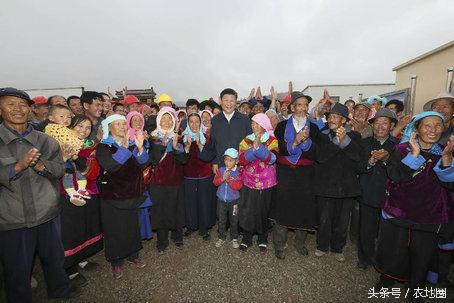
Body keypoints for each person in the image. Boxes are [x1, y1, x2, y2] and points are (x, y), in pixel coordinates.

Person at [0, 87, 76, 302]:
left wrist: (42, 166)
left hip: (47, 214)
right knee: (16, 271)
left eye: (23, 104)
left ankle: (61, 293)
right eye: (10, 104)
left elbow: (60, 169)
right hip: (12, 219)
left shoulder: (45, 140)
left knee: (54, 261)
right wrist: (17, 167)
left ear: (30, 110)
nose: (18, 109)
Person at [374, 111, 454, 298]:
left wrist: (447, 159)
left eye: (437, 126)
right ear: (417, 129)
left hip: (428, 216)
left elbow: (450, 185)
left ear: (443, 128)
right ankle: (386, 279)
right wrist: (415, 155)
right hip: (398, 211)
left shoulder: (445, 152)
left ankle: (415, 290)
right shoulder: (402, 149)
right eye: (427, 125)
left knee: (422, 256)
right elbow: (395, 176)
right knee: (392, 249)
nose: (432, 130)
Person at [96, 114, 150, 279]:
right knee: (114, 228)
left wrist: (140, 148)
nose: (122, 127)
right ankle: (116, 261)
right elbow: (111, 166)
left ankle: (133, 254)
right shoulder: (104, 147)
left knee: (131, 226)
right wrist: (125, 148)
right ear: (109, 128)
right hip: (112, 195)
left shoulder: (132, 143)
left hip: (131, 193)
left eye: (123, 123)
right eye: (117, 124)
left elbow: (143, 164)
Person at [270, 91, 319, 259]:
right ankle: (279, 244)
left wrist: (306, 142)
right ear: (292, 107)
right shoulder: (282, 126)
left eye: (306, 105)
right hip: (285, 173)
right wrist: (296, 141)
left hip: (306, 174)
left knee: (303, 207)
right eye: (299, 105)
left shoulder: (315, 127)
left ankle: (299, 242)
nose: (303, 108)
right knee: (282, 207)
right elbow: (277, 150)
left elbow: (317, 153)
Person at [314, 103, 363, 262]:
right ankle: (322, 246)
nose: (331, 120)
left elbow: (358, 157)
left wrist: (345, 140)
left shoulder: (355, 136)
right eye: (330, 117)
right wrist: (336, 140)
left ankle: (337, 248)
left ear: (344, 120)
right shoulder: (322, 135)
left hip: (346, 187)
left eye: (336, 117)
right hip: (325, 186)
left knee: (342, 221)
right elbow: (320, 157)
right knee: (324, 218)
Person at [58, 115, 103, 286]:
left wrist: (78, 158)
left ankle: (82, 258)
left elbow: (94, 172)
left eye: (87, 128)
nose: (83, 131)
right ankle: (70, 269)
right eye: (79, 126)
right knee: (70, 232)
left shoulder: (91, 147)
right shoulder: (58, 143)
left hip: (88, 190)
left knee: (85, 227)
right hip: (66, 194)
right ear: (70, 126)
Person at [356, 108, 398, 269]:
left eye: (384, 123)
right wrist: (370, 162)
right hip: (368, 192)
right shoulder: (364, 143)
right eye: (377, 123)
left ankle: (384, 260)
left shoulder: (397, 146)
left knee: (388, 231)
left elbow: (400, 170)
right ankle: (365, 258)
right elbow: (357, 166)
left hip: (390, 195)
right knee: (366, 229)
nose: (380, 126)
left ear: (391, 125)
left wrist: (386, 159)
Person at [149, 107, 188, 252]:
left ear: (173, 121)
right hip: (158, 180)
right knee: (160, 210)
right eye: (163, 119)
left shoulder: (178, 137)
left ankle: (177, 236)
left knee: (176, 207)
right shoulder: (152, 138)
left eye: (169, 119)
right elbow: (152, 160)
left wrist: (175, 147)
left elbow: (184, 159)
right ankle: (162, 240)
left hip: (175, 179)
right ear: (159, 121)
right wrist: (163, 147)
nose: (166, 122)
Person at [238, 113, 278, 252]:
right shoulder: (246, 140)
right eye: (252, 123)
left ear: (264, 125)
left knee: (263, 210)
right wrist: (253, 149)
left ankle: (263, 237)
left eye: (257, 123)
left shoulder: (272, 140)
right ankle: (247, 238)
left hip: (266, 182)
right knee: (248, 210)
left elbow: (273, 158)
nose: (254, 126)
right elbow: (241, 160)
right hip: (249, 181)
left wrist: (258, 149)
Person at [182, 112, 215, 240]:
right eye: (191, 122)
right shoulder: (183, 138)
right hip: (188, 176)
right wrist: (187, 147)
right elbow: (181, 159)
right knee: (190, 202)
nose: (194, 124)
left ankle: (204, 227)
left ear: (200, 123)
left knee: (204, 202)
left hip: (204, 175)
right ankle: (191, 225)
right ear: (188, 123)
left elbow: (209, 156)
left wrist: (200, 146)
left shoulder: (207, 138)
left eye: (197, 121)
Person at [208, 88, 252, 174]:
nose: (229, 103)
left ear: (236, 102)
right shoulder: (215, 120)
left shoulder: (245, 120)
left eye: (232, 100)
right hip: (221, 165)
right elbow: (213, 143)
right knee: (222, 187)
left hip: (241, 165)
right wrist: (215, 162)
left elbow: (249, 142)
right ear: (220, 101)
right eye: (226, 100)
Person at [126, 111, 153, 240]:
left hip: (144, 177)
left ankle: (142, 235)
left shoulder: (146, 137)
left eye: (140, 120)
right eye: (134, 120)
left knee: (142, 209)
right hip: (130, 179)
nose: (138, 123)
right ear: (129, 122)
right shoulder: (125, 139)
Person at [213, 148, 243, 248]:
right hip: (221, 201)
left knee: (234, 220)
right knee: (221, 219)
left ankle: (234, 238)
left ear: (236, 161)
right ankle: (221, 237)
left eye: (230, 160)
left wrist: (228, 179)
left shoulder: (239, 172)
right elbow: (215, 182)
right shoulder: (221, 170)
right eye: (226, 159)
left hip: (234, 202)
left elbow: (238, 186)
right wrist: (222, 178)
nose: (227, 162)